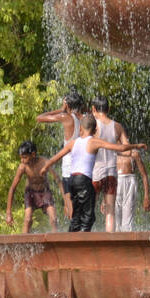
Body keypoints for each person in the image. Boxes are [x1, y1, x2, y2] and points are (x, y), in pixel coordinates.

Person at [41, 125, 145, 232]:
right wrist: (136, 145)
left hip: (72, 180)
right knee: (88, 216)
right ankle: (83, 240)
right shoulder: (94, 142)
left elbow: (57, 156)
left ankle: (72, 239)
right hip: (84, 180)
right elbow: (121, 148)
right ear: (95, 130)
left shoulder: (73, 142)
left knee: (76, 214)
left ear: (81, 129)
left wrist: (45, 167)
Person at [36, 92, 86, 221]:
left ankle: (73, 233)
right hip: (84, 167)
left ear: (67, 105)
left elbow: (40, 117)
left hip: (69, 167)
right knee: (81, 203)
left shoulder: (66, 117)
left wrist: (62, 109)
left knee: (69, 203)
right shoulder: (87, 119)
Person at [89, 97, 128, 232]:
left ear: (94, 109)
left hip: (95, 173)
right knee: (110, 211)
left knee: (88, 209)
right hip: (111, 173)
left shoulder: (92, 125)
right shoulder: (117, 126)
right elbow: (126, 148)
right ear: (108, 109)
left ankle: (84, 244)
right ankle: (110, 245)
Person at [6, 141, 59, 233]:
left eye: (25, 157)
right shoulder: (23, 167)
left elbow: (58, 180)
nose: (22, 160)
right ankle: (23, 243)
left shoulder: (44, 162)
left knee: (53, 219)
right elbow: (12, 188)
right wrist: (8, 213)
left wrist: (67, 201)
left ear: (33, 154)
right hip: (30, 193)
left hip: (44, 192)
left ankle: (57, 243)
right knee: (27, 220)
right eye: (21, 158)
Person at [114, 139, 150, 232]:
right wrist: (104, 200)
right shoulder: (112, 153)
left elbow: (144, 175)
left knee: (128, 219)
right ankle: (114, 244)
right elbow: (108, 175)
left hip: (129, 182)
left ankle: (126, 244)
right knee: (114, 218)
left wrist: (146, 197)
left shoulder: (134, 154)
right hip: (115, 182)